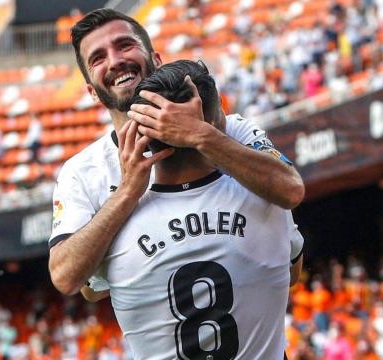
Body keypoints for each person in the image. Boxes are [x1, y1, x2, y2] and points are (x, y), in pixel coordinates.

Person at [48, 8, 305, 297]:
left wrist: (201, 136)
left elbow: (291, 191)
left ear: (156, 60)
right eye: (98, 58)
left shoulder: (230, 129)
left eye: (125, 45)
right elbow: (72, 281)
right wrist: (126, 193)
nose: (116, 60)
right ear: (92, 91)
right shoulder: (83, 171)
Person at [79, 60, 297, 359]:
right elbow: (293, 267)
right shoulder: (265, 198)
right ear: (210, 121)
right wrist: (204, 136)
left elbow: (89, 289)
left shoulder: (116, 230)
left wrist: (126, 190)